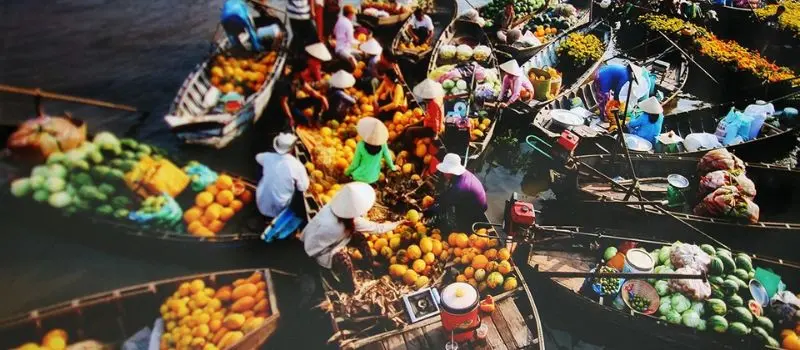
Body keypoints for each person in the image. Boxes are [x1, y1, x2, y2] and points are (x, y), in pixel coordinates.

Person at [301, 182, 405, 290]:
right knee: (344, 259)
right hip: (318, 250)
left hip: (320, 239)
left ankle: (369, 262)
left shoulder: (334, 207)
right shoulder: (353, 221)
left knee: (358, 236)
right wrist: (398, 224)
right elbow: (378, 229)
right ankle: (349, 286)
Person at [255, 133, 310, 218]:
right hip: (280, 208)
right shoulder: (297, 165)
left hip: (261, 203)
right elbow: (303, 187)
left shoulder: (267, 157)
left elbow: (258, 157)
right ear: (291, 149)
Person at [434, 153, 487, 231]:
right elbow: (448, 195)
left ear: (452, 172)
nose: (443, 173)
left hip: (476, 209)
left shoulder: (460, 187)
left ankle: (464, 229)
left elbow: (444, 203)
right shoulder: (462, 175)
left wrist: (429, 211)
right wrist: (438, 198)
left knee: (462, 226)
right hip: (474, 201)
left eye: (445, 171)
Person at [282, 43, 331, 127]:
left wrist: (322, 98)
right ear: (299, 71)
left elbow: (310, 91)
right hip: (291, 107)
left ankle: (316, 119)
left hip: (295, 103)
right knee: (305, 122)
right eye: (304, 71)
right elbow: (284, 102)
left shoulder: (299, 80)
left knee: (317, 100)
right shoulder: (286, 82)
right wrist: (290, 117)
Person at [345, 117, 398, 183]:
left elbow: (354, 164)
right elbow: (388, 158)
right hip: (374, 178)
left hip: (359, 177)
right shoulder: (383, 144)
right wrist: (393, 167)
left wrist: (346, 173)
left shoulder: (360, 145)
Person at [405, 79, 445, 147]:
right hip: (428, 122)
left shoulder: (433, 104)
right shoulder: (433, 100)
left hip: (431, 129)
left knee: (409, 131)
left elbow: (436, 123)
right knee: (408, 127)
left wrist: (435, 135)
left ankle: (407, 150)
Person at [333, 5, 361, 70]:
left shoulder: (339, 20)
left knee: (359, 54)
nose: (353, 16)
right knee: (354, 60)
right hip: (343, 50)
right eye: (353, 14)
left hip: (339, 48)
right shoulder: (348, 24)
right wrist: (360, 43)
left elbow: (334, 32)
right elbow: (351, 40)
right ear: (350, 14)